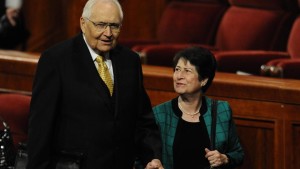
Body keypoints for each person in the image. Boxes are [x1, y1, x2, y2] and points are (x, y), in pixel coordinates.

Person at [27, 0, 163, 169]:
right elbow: (40, 129)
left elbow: (143, 121)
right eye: (100, 25)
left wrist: (152, 157)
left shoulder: (130, 61)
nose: (108, 33)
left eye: (114, 26)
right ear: (83, 24)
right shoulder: (56, 60)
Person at [152, 46, 244, 169]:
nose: (179, 76)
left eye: (187, 71)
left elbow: (238, 154)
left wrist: (224, 158)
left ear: (204, 80)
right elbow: (142, 158)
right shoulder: (160, 114)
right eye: (177, 69)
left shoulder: (222, 110)